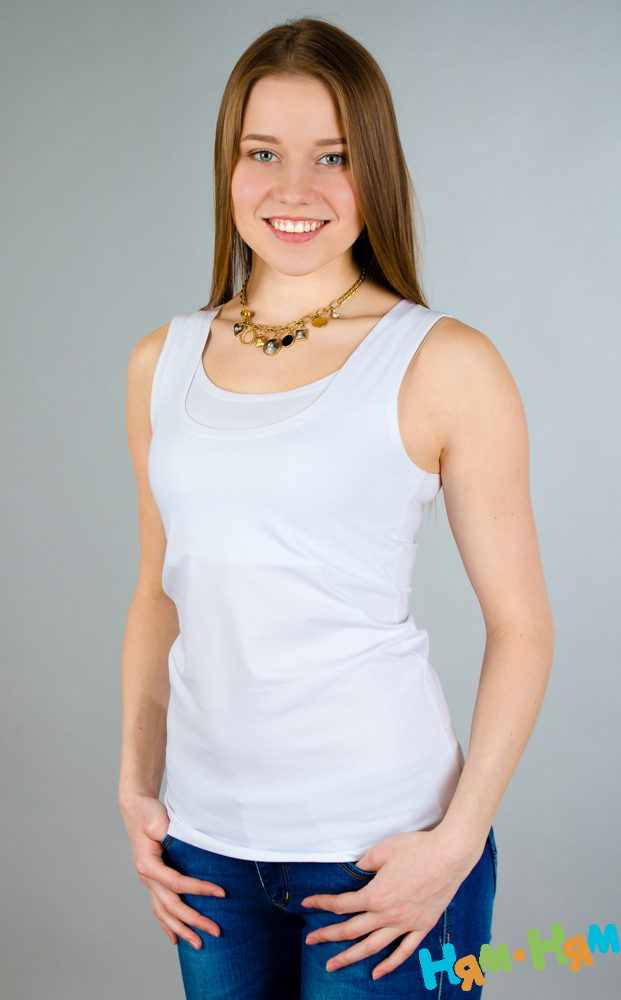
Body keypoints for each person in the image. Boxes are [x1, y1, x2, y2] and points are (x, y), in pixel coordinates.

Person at [119, 16, 554, 1000]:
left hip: (386, 846)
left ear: (376, 170)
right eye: (262, 153)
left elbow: (523, 627)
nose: (294, 189)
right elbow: (157, 595)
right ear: (228, 166)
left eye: (333, 156)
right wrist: (135, 786)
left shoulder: (445, 362)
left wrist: (457, 840)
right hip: (207, 852)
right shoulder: (160, 363)